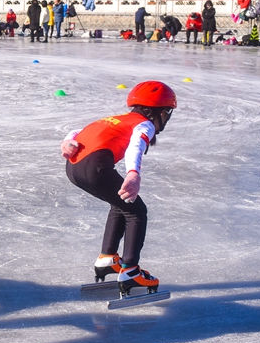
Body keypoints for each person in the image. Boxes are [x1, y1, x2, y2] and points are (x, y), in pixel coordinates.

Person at [61, 81, 177, 296]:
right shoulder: (145, 124)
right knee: (136, 211)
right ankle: (131, 271)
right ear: (161, 112)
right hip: (94, 168)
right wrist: (133, 173)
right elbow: (137, 145)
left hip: (74, 168)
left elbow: (78, 130)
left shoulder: (118, 118)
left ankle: (108, 258)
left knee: (120, 203)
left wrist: (68, 141)